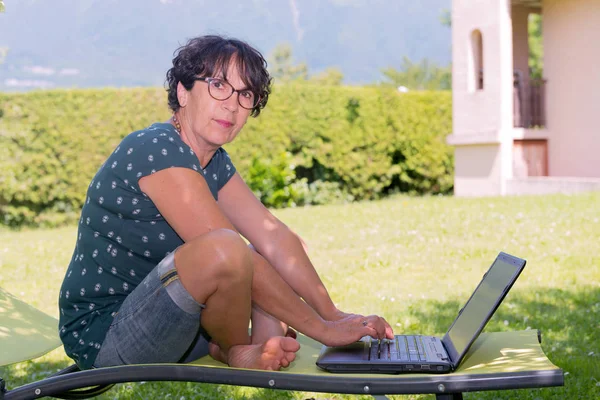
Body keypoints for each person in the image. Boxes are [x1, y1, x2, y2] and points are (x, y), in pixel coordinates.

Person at [58, 35, 393, 372]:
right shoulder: (156, 148)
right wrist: (323, 331)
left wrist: (333, 314)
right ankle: (239, 349)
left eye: (245, 93)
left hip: (184, 328)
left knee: (273, 246)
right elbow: (230, 253)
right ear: (183, 92)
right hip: (111, 336)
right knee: (227, 248)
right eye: (218, 85)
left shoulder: (213, 160)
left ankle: (251, 346)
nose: (231, 104)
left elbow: (274, 236)